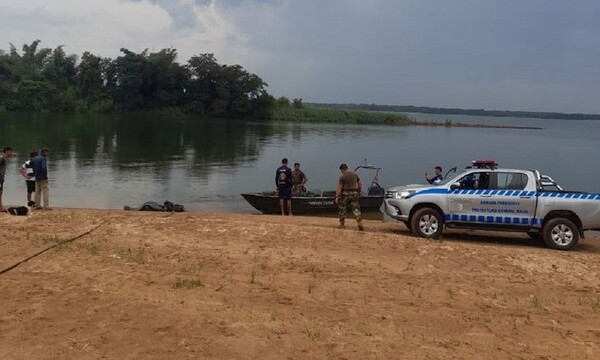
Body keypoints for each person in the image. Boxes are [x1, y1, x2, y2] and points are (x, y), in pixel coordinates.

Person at [335, 163, 363, 231]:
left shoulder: (342, 177)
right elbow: (360, 184)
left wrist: (336, 196)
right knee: (356, 208)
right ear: (347, 168)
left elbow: (340, 187)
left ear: (342, 169)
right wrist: (359, 192)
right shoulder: (354, 174)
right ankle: (359, 221)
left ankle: (342, 224)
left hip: (345, 194)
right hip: (354, 193)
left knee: (342, 208)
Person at [0, 146, 14, 212]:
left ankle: (1, 207)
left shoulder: (4, 158)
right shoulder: (2, 158)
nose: (11, 153)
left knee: (0, 192)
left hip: (1, 178)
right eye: (11, 152)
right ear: (6, 151)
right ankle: (0, 208)